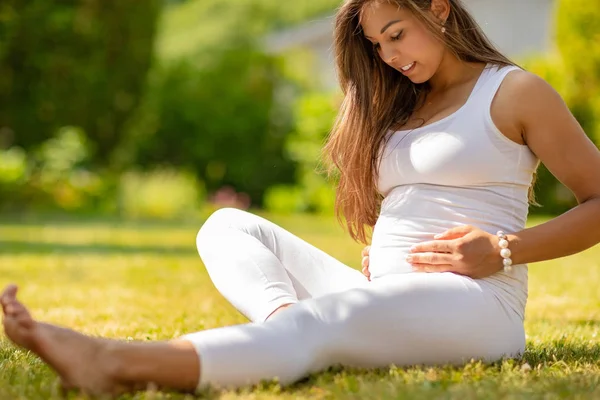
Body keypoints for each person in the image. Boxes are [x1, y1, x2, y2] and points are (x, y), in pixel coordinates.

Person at [2, 0, 600, 396]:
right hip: (389, 294)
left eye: (397, 34)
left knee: (328, 322)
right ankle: (284, 332)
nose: (390, 56)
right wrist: (389, 258)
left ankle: (114, 364)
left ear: (438, 9)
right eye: (377, 46)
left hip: (476, 306)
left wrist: (501, 249)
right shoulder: (403, 103)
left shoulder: (515, 91)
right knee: (226, 227)